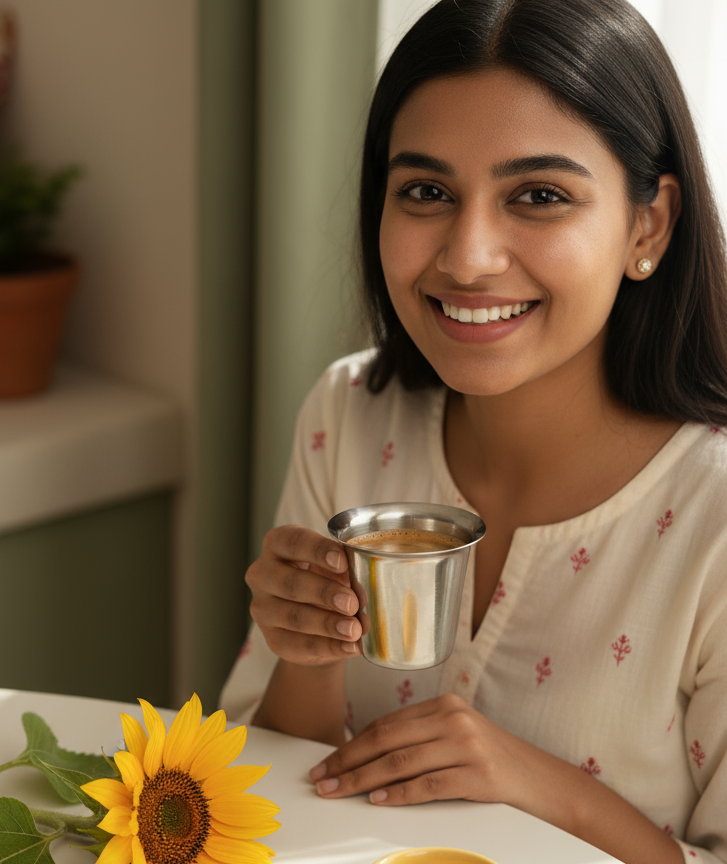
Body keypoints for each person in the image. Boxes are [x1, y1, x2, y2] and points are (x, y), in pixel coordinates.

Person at [220, 1, 727, 862]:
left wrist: (538, 786)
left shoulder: (715, 519)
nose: (467, 256)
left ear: (649, 225)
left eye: (539, 195)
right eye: (426, 191)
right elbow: (269, 792)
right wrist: (306, 655)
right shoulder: (349, 414)